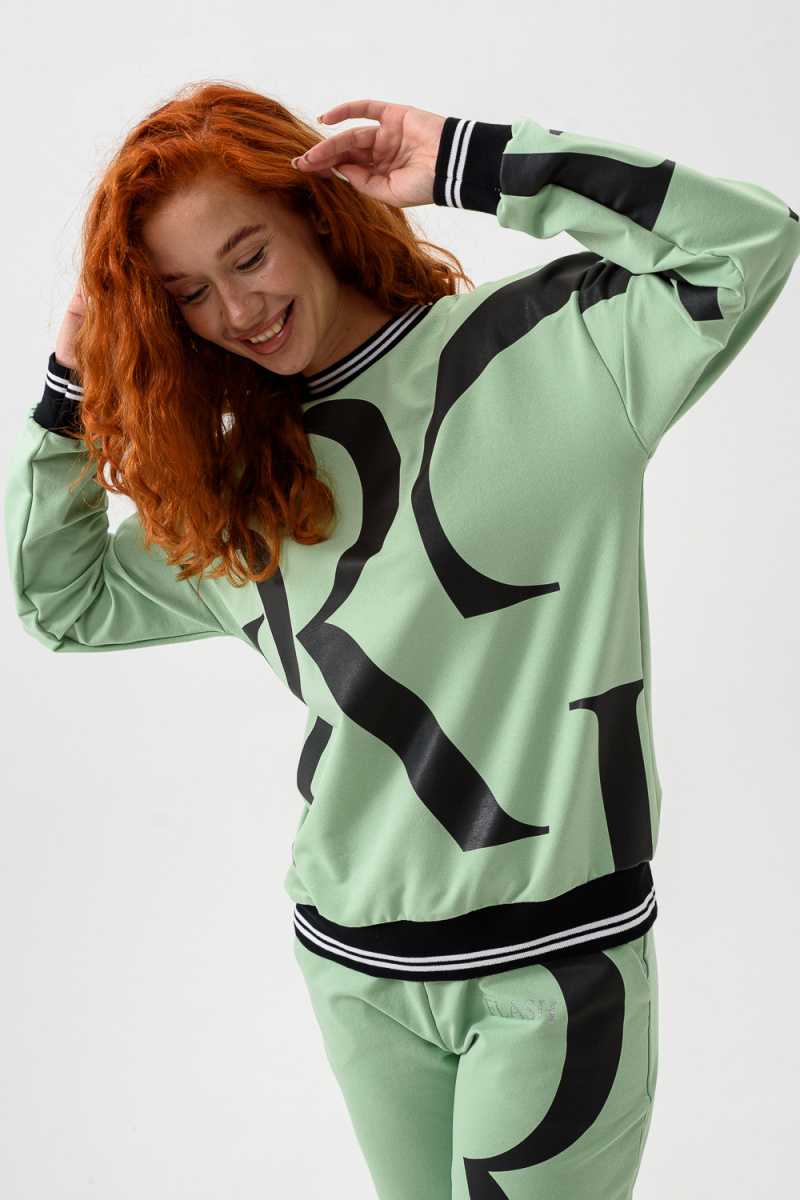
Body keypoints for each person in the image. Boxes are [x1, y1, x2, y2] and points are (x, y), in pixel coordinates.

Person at [6, 82, 799, 1200]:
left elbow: (749, 242)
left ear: (315, 213)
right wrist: (70, 391)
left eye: (248, 256)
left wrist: (474, 162)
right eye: (187, 294)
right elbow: (60, 598)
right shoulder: (240, 489)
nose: (236, 310)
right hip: (355, 970)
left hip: (553, 967)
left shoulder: (556, 348)